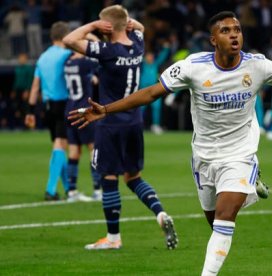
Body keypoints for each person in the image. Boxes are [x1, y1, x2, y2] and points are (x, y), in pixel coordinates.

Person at [69, 11, 272, 275]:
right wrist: (106, 109)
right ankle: (251, 185)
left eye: (237, 29)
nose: (234, 35)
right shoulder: (193, 66)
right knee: (214, 219)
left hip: (240, 151)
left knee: (224, 216)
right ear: (213, 39)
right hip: (204, 156)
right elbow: (152, 92)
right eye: (225, 30)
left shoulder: (257, 65)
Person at [62, 5, 178, 250]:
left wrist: (92, 26)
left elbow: (69, 39)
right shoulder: (137, 43)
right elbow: (139, 27)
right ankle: (160, 213)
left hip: (109, 121)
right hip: (134, 120)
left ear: (106, 27)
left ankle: (113, 238)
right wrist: (125, 22)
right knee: (133, 177)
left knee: (109, 177)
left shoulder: (107, 50)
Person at [25, 21, 72, 201]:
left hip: (47, 107)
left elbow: (35, 86)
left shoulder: (42, 57)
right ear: (65, 36)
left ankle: (68, 189)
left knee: (58, 146)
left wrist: (30, 111)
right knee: (60, 145)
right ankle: (50, 190)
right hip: (64, 104)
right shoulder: (67, 55)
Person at [64, 49, 101, 202]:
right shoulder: (86, 63)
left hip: (69, 109)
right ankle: (98, 189)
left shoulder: (68, 63)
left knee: (74, 151)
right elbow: (101, 63)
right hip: (84, 111)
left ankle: (72, 191)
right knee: (93, 149)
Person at [140, 43, 170, 134]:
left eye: (152, 56)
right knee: (141, 108)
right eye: (149, 56)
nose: (151, 58)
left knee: (157, 107)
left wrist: (166, 49)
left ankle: (155, 125)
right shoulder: (142, 64)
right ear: (145, 57)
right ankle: (139, 125)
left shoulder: (155, 65)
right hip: (143, 90)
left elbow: (162, 57)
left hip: (154, 90)